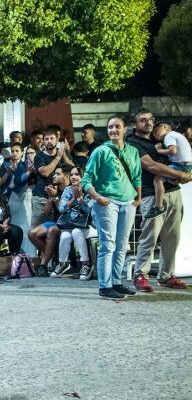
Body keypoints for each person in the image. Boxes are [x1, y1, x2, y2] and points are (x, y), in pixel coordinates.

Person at [127, 109, 192, 292]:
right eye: (143, 120)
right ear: (134, 124)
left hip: (173, 191)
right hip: (151, 193)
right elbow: (151, 166)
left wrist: (184, 174)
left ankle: (166, 275)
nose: (148, 123)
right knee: (150, 236)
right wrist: (182, 174)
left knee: (173, 237)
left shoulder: (160, 138)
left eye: (151, 119)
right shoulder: (133, 143)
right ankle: (141, 274)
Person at [81, 114, 141, 300]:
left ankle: (116, 282)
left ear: (125, 130)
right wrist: (98, 198)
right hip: (107, 203)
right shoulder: (101, 151)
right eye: (110, 127)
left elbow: (138, 176)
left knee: (122, 246)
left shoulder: (132, 151)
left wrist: (138, 197)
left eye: (117, 127)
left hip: (128, 202)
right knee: (108, 245)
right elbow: (86, 180)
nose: (113, 130)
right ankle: (104, 286)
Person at [50, 167, 96, 280]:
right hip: (71, 224)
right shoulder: (68, 190)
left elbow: (90, 211)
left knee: (76, 232)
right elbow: (61, 209)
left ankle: (86, 264)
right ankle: (62, 264)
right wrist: (72, 200)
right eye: (71, 175)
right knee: (65, 235)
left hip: (89, 226)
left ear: (83, 177)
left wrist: (80, 200)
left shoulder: (89, 190)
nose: (73, 177)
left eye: (77, 175)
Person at [145, 122, 192, 219]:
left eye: (155, 131)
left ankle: (158, 207)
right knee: (169, 177)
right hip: (186, 165)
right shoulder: (176, 135)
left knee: (157, 179)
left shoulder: (169, 136)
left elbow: (172, 151)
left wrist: (158, 150)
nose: (154, 135)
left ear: (164, 127)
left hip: (180, 164)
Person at [28, 167, 69, 276]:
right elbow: (46, 211)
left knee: (51, 230)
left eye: (57, 173)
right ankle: (52, 254)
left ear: (66, 177)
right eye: (54, 173)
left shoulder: (69, 190)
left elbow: (64, 211)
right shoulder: (55, 189)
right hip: (55, 222)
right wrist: (51, 196)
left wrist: (55, 197)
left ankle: (43, 265)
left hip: (67, 223)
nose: (54, 176)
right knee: (32, 233)